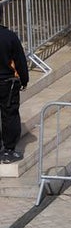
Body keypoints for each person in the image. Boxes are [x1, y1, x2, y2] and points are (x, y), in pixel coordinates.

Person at [1, 13, 29, 163]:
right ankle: (8, 150)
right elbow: (20, 60)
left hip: (7, 83)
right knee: (10, 115)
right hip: (7, 83)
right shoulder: (9, 36)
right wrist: (24, 80)